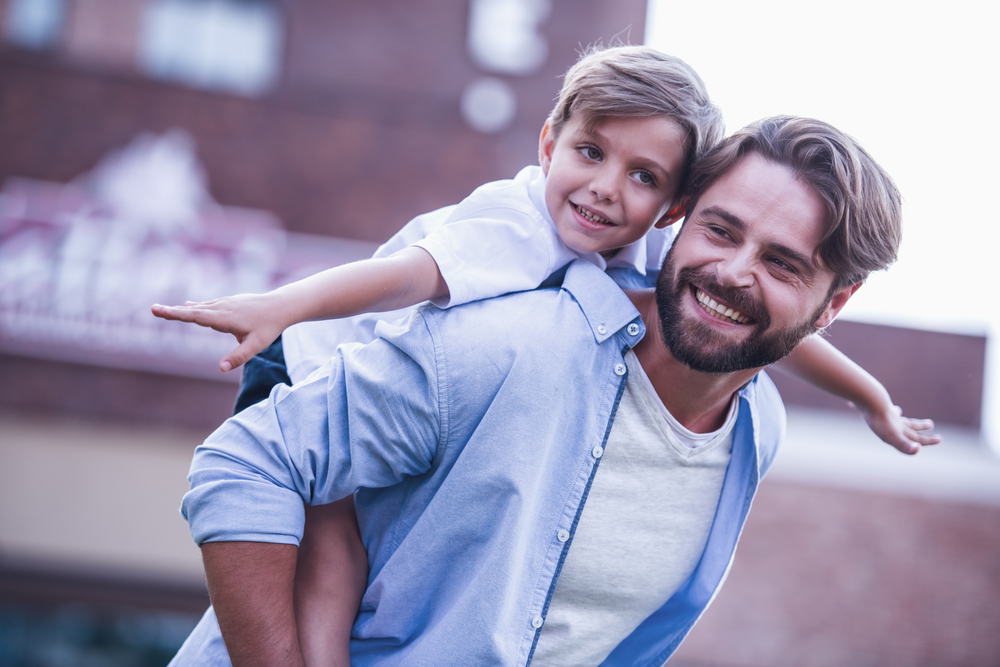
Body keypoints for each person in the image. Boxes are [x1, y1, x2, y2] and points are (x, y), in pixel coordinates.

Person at [168, 116, 938, 666]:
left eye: (783, 263)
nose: (733, 272)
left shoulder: (754, 432)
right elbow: (247, 464)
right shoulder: (509, 341)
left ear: (833, 304)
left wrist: (874, 402)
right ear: (679, 221)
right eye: (721, 231)